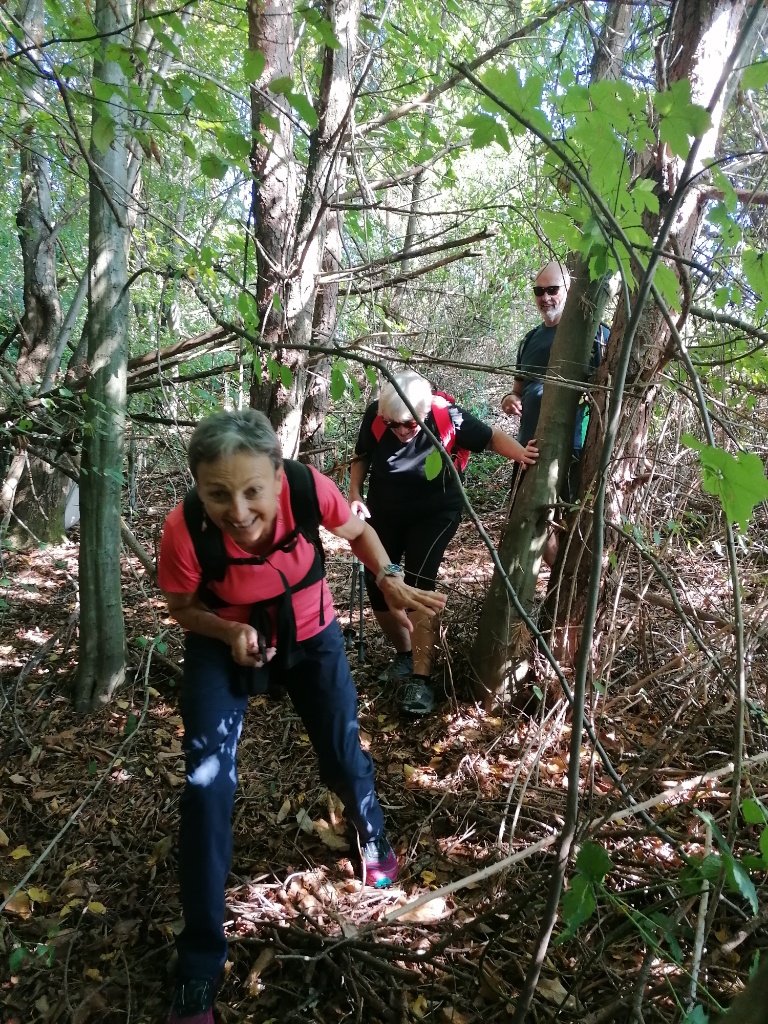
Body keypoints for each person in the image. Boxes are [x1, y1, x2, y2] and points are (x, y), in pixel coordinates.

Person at [158, 408, 446, 1024]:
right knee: (206, 788)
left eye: (252, 490)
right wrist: (225, 627)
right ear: (198, 488)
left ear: (276, 478)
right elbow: (182, 606)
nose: (237, 510)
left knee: (342, 751)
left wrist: (389, 575)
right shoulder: (184, 529)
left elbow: (358, 532)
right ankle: (200, 962)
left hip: (312, 634)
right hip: (224, 642)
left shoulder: (310, 486)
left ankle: (372, 838)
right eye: (218, 494)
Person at [349, 369, 538, 717]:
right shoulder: (378, 414)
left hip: (436, 512)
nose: (401, 431)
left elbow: (491, 436)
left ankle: (421, 681)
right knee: (380, 584)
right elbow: (362, 456)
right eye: (393, 424)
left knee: (420, 580)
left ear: (422, 411)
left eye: (408, 424)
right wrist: (355, 493)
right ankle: (404, 655)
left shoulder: (445, 414)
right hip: (384, 511)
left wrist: (522, 456)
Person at [501, 260, 607, 561]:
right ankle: (553, 588)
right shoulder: (530, 340)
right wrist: (510, 399)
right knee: (533, 524)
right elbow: (516, 390)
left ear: (568, 290)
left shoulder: (595, 334)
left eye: (552, 290)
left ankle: (566, 594)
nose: (545, 297)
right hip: (528, 451)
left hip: (573, 451)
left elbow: (607, 393)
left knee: (570, 524)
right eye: (539, 291)